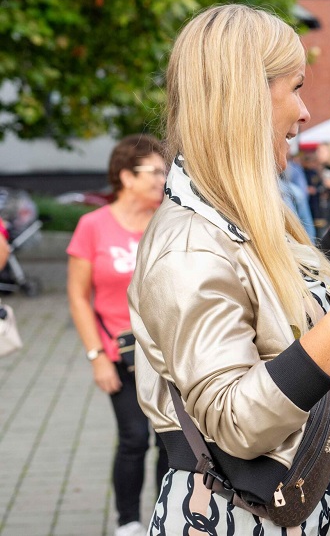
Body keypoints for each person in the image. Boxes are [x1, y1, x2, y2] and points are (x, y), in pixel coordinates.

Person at [128, 5, 330, 534]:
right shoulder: (189, 246)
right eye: (295, 88)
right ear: (246, 97)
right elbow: (237, 423)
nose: (305, 111)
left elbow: (306, 301)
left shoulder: (230, 208)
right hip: (229, 514)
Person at [66, 134, 169, 536]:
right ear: (126, 176)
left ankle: (167, 516)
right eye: (155, 172)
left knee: (170, 441)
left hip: (167, 354)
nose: (163, 179)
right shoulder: (92, 226)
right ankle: (128, 521)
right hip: (118, 352)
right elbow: (77, 296)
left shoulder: (169, 223)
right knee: (134, 437)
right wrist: (96, 356)